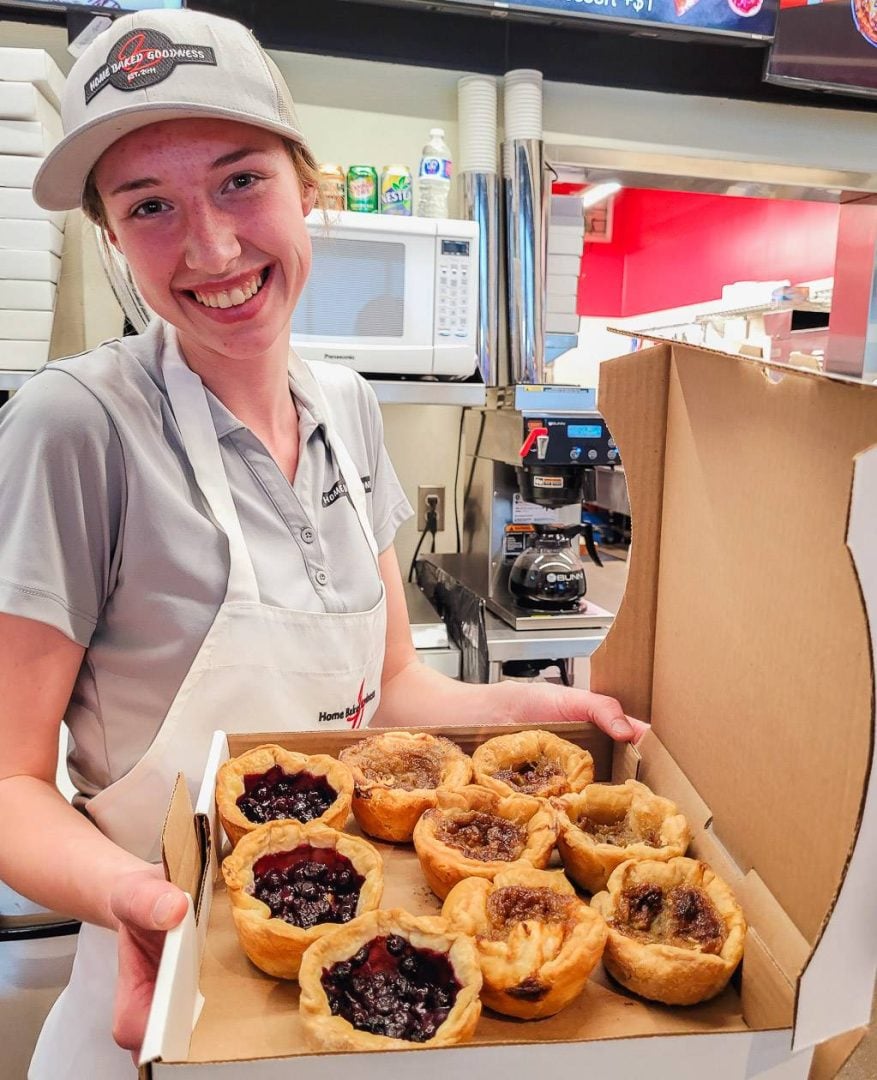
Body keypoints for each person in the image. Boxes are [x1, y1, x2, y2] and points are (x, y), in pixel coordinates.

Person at [0, 9, 645, 1078]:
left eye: (240, 180)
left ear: (309, 185)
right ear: (111, 240)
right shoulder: (76, 428)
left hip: (358, 1001)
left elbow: (389, 693)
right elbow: (9, 781)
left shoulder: (345, 407)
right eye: (148, 205)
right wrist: (133, 895)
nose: (209, 247)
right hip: (159, 982)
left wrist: (522, 713)